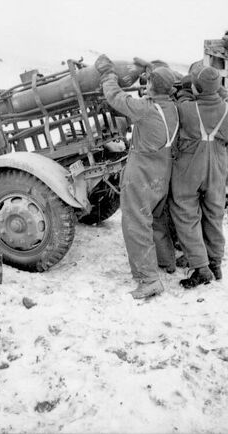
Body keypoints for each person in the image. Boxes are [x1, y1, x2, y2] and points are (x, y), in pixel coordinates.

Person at [94, 54, 179, 299]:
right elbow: (158, 85)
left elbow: (115, 97)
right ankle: (166, 261)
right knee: (156, 218)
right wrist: (151, 70)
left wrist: (108, 74)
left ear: (152, 85)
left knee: (136, 224)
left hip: (142, 172)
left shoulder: (146, 110)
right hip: (161, 173)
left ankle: (148, 279)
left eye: (148, 81)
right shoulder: (170, 107)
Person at [169, 66, 228, 288]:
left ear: (197, 88)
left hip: (190, 167)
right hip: (218, 167)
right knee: (214, 213)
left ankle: (200, 266)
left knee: (184, 211)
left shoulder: (186, 109)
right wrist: (212, 88)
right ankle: (215, 263)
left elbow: (182, 96)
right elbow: (223, 96)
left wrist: (186, 88)